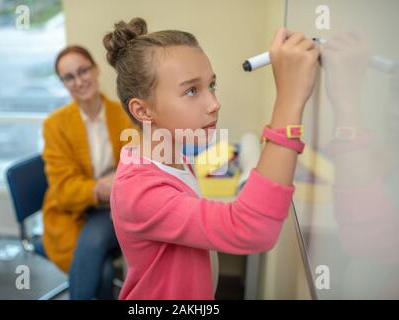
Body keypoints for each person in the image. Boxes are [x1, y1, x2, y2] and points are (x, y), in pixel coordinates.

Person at [103, 17, 319, 299]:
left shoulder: (171, 153)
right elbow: (253, 230)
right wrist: (289, 100)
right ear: (143, 111)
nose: (214, 103)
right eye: (191, 90)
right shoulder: (138, 190)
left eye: (212, 85)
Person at [41, 45, 134, 299]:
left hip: (114, 208)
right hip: (72, 212)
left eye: (83, 71)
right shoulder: (55, 125)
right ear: (63, 83)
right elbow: (63, 190)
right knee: (103, 272)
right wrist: (101, 186)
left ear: (96, 69)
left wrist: (111, 187)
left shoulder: (123, 115)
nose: (79, 81)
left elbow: (136, 168)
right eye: (69, 77)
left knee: (94, 243)